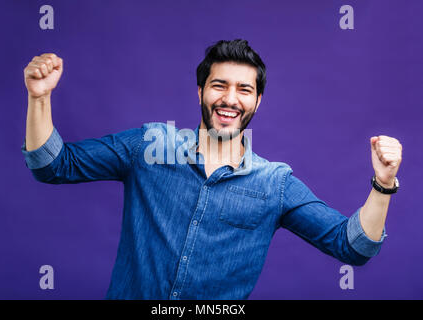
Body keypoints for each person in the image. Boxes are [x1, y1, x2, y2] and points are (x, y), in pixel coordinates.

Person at [21, 39, 402, 299]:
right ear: (200, 92)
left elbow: (352, 246)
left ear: (257, 101)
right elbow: (54, 164)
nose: (230, 99)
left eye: (244, 89)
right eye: (219, 85)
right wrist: (39, 98)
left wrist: (383, 185)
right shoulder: (149, 145)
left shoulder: (275, 184)